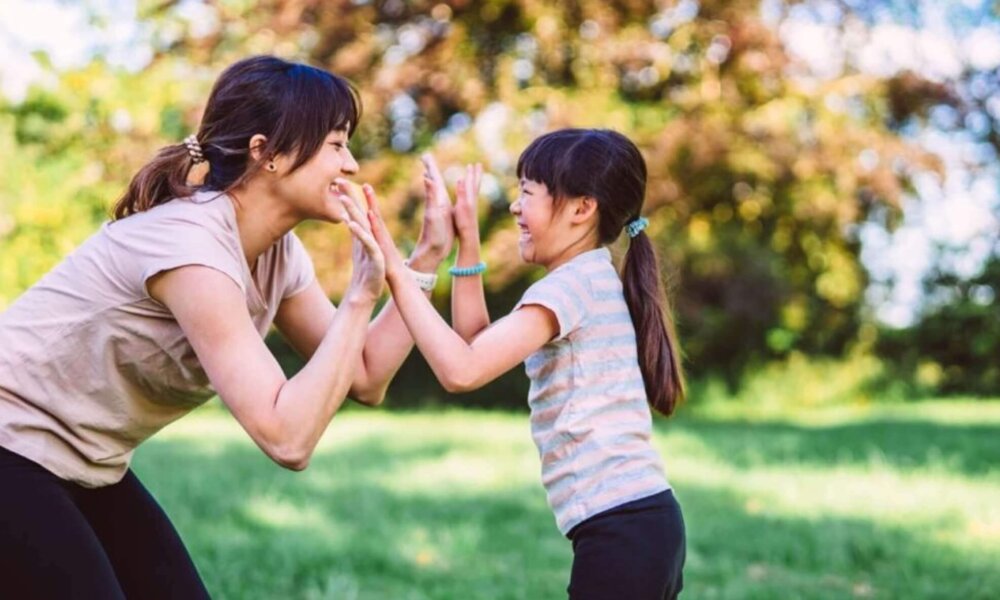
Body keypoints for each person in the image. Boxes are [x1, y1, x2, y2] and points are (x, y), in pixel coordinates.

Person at [0, 55, 452, 598]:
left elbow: (364, 377)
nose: (351, 165)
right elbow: (287, 439)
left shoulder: (279, 255)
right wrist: (360, 295)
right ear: (268, 154)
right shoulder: (191, 244)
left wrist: (424, 258)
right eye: (336, 144)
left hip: (87, 461)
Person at [366, 129, 688, 599]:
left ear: (582, 209)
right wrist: (468, 244)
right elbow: (475, 343)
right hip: (641, 525)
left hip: (621, 531)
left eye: (528, 193)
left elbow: (461, 370)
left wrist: (397, 270)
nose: (516, 206)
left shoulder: (570, 288)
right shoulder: (587, 278)